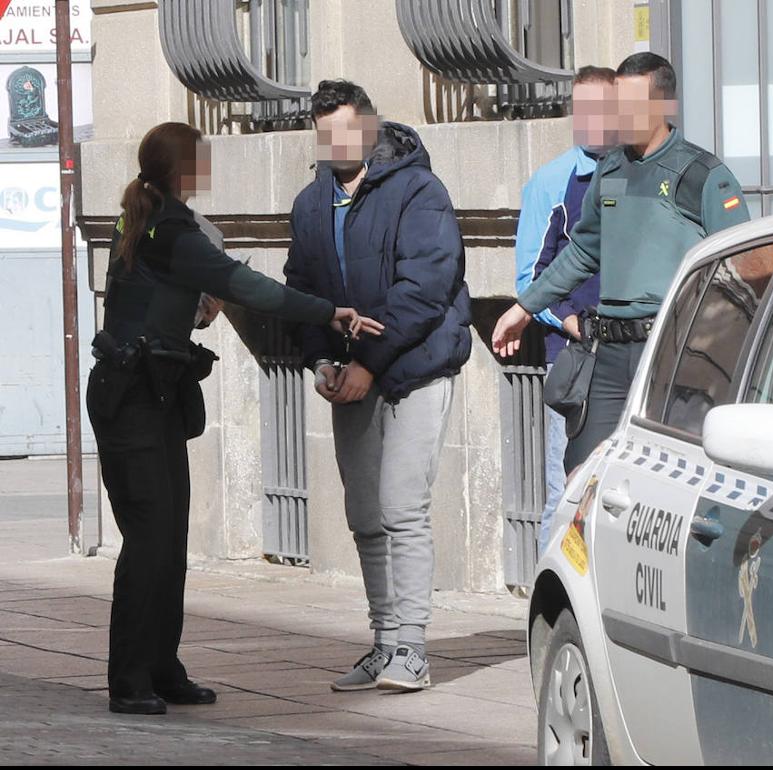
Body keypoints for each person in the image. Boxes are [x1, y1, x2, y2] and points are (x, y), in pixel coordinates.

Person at [87, 121, 381, 716]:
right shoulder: (168, 228)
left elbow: (158, 302)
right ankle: (129, 678)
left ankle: (163, 667)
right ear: (180, 169)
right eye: (201, 159)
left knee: (170, 539)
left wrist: (196, 314)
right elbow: (246, 285)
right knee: (149, 540)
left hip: (153, 392)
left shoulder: (151, 220)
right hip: (132, 398)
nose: (208, 169)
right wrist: (329, 312)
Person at [283, 80, 472, 693]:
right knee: (365, 514)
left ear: (369, 124)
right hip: (351, 377)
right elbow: (301, 290)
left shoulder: (419, 189)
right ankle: (383, 640)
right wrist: (321, 361)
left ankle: (412, 648)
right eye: (324, 134)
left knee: (401, 508)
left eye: (345, 130)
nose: (336, 144)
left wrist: (367, 360)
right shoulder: (312, 202)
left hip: (416, 368)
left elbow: (425, 289)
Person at [493, 52, 751, 472]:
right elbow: (581, 250)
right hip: (609, 353)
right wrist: (525, 308)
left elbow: (743, 266)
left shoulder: (701, 175)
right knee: (584, 475)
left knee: (670, 477)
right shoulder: (610, 169)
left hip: (672, 351)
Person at [514, 65, 615, 553]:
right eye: (584, 110)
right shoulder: (551, 182)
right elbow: (530, 279)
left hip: (639, 353)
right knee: (569, 487)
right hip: (576, 358)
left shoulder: (635, 173)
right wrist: (575, 325)